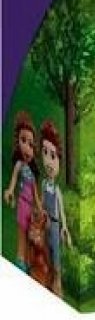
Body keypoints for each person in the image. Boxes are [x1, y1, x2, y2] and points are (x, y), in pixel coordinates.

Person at [3, 112, 42, 272]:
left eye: (31, 144)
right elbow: (13, 181)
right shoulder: (19, 165)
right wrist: (9, 191)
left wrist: (40, 208)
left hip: (31, 208)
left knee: (29, 236)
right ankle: (19, 262)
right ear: (17, 142)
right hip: (22, 205)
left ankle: (25, 262)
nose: (27, 147)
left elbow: (36, 195)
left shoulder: (31, 173)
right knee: (21, 234)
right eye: (23, 141)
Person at [39, 120, 72, 297]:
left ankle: (58, 283)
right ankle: (48, 278)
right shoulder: (44, 184)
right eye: (45, 153)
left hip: (55, 224)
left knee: (56, 253)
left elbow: (61, 211)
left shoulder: (57, 190)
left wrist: (64, 228)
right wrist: (41, 214)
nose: (49, 162)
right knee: (46, 251)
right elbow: (42, 202)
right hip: (45, 223)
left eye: (53, 156)